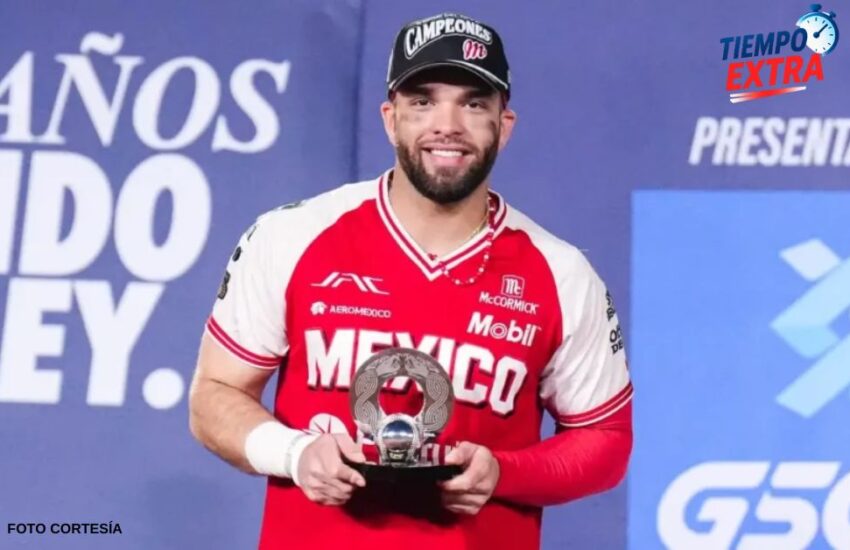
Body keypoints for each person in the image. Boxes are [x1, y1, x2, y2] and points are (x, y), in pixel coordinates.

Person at [189, 12, 633, 550]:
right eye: (423, 101)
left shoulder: (561, 274)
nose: (448, 124)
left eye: (473, 104)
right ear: (390, 118)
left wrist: (504, 472)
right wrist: (295, 453)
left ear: (504, 125)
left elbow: (605, 440)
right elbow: (215, 395)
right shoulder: (291, 236)